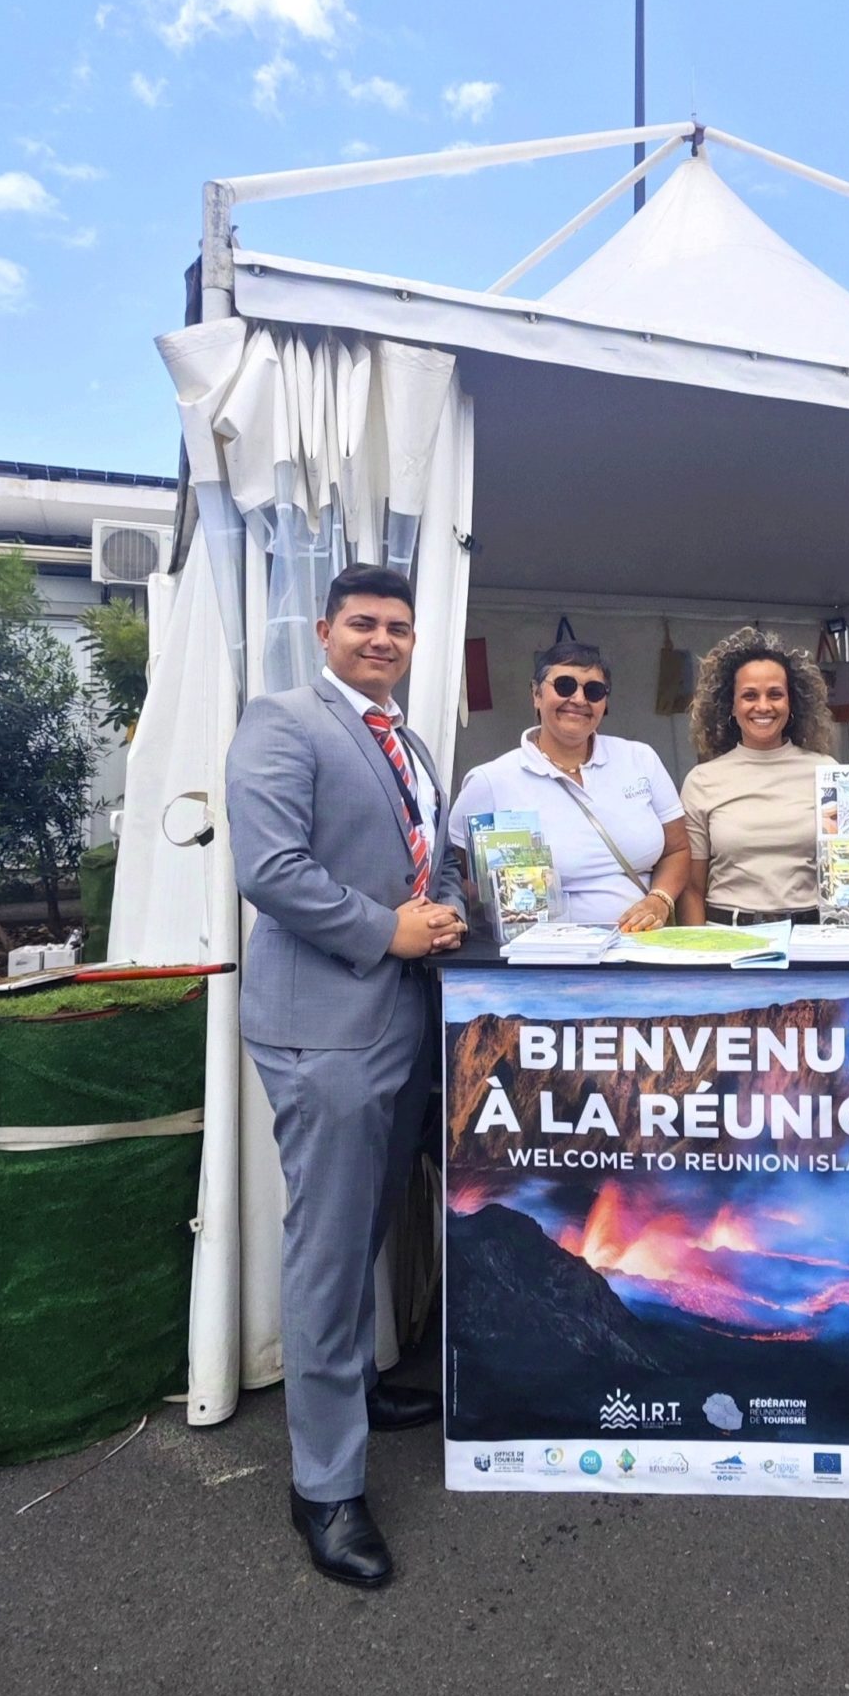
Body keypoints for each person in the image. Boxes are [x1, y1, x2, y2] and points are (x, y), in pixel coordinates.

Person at [226, 566, 467, 1589]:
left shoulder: (405, 740)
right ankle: (323, 1484)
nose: (381, 639)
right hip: (324, 1027)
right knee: (328, 1248)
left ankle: (355, 1394)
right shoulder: (282, 722)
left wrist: (445, 909)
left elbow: (427, 859)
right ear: (325, 630)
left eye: (398, 627)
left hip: (402, 1019)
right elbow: (270, 870)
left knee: (366, 1223)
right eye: (363, 624)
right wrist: (390, 931)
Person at [450, 641, 689, 929]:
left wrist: (659, 900)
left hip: (640, 949)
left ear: (605, 702)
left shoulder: (641, 759)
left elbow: (677, 849)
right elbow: (453, 873)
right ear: (536, 695)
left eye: (593, 691)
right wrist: (498, 904)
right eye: (564, 686)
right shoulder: (490, 781)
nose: (578, 699)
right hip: (546, 961)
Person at [677, 627, 837, 925]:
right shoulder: (702, 780)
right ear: (731, 706)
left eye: (775, 694)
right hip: (729, 940)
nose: (763, 706)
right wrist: (700, 954)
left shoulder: (827, 772)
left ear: (792, 703)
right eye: (749, 695)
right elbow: (692, 888)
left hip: (810, 940)